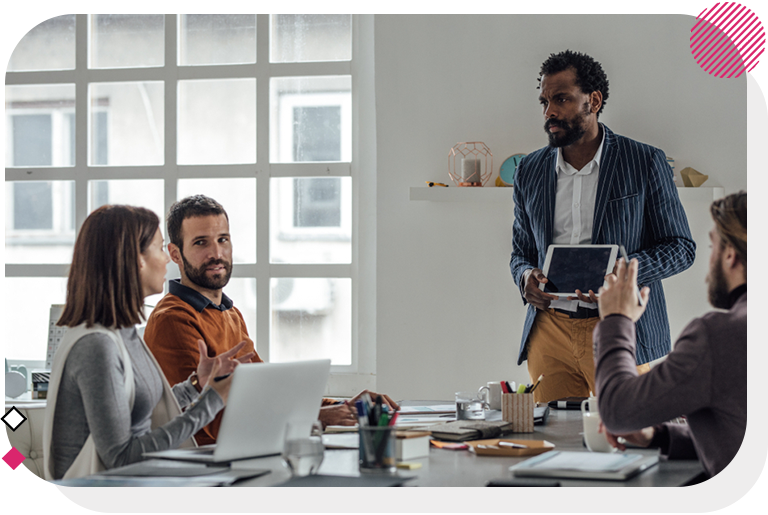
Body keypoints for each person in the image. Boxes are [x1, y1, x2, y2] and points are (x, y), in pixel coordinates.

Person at [509, 50, 695, 403]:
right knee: (554, 443)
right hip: (549, 333)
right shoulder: (529, 170)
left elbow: (681, 247)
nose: (549, 111)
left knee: (631, 436)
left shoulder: (644, 161)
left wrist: (620, 275)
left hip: (621, 327)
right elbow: (520, 251)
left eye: (561, 99)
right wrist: (524, 277)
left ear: (593, 101)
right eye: (545, 101)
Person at [144, 195, 398, 445]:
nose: (217, 253)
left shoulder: (228, 312)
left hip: (248, 454)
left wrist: (346, 406)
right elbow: (213, 421)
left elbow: (266, 393)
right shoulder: (173, 320)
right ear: (175, 254)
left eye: (223, 240)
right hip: (206, 467)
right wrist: (318, 417)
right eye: (201, 243)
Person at [42, 205, 247, 481]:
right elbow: (120, 457)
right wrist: (212, 400)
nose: (166, 260)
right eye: (160, 249)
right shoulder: (96, 347)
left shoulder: (124, 332)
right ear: (135, 259)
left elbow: (140, 408)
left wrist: (197, 385)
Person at [594, 192, 746, 480]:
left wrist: (617, 319)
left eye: (712, 246)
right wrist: (660, 436)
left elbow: (616, 411)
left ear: (729, 255)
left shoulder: (717, 335)